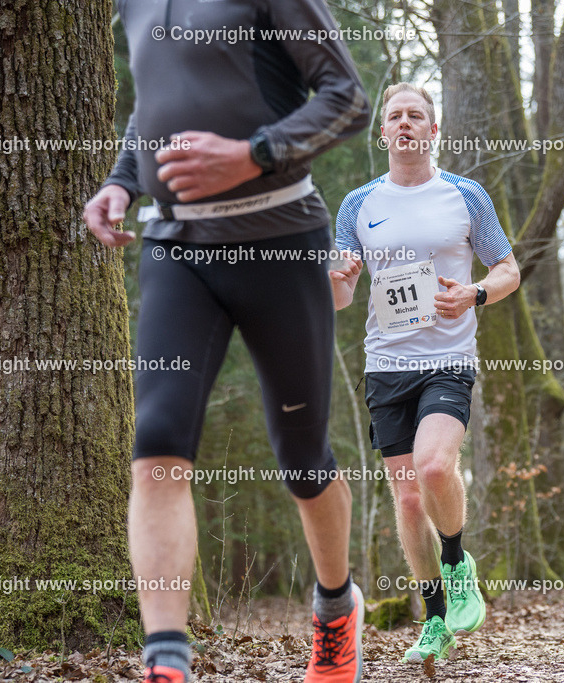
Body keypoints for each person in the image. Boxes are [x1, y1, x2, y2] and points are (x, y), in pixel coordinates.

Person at [83, 2, 371, 681]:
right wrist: (122, 180)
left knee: (303, 456)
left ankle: (336, 609)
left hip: (280, 236)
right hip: (176, 244)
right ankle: (166, 660)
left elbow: (348, 100)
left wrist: (252, 155)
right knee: (156, 441)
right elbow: (155, 102)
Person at [328, 83, 520, 663]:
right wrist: (339, 278)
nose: (405, 124)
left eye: (416, 116)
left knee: (434, 466)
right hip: (386, 365)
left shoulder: (465, 195)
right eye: (396, 117)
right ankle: (434, 619)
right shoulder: (358, 205)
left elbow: (508, 270)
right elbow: (339, 298)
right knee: (408, 499)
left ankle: (458, 563)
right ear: (383, 132)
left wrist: (474, 294)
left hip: (448, 361)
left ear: (433, 131)